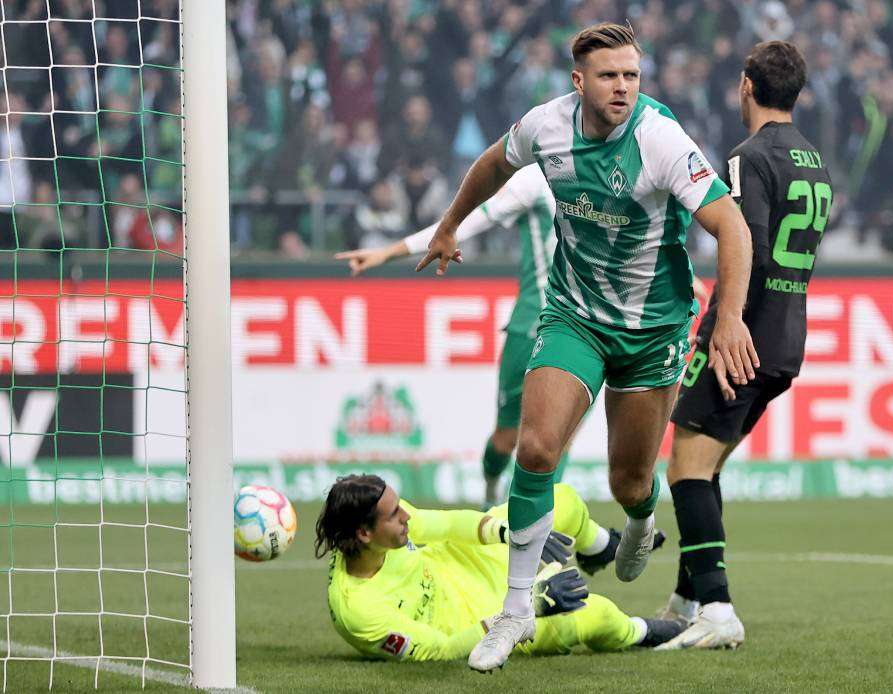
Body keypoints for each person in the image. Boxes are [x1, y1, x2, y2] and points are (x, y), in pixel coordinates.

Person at [413, 22, 758, 672]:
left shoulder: (660, 139)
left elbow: (730, 223)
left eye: (632, 75)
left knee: (627, 479)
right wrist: (450, 225)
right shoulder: (545, 127)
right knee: (537, 445)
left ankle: (638, 520)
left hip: (653, 329)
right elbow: (492, 163)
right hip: (574, 316)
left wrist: (731, 317)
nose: (623, 87)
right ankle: (515, 609)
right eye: (609, 76)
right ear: (579, 83)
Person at [337, 166, 712, 510]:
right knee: (505, 438)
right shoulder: (538, 177)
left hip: (588, 326)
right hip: (534, 321)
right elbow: (467, 221)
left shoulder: (622, 170)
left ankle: (542, 535)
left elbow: (640, 240)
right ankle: (489, 495)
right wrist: (388, 252)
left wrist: (677, 276)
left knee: (559, 437)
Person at [659, 41, 833, 650]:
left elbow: (746, 243)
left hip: (743, 334)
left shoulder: (748, 156)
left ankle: (716, 607)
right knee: (707, 467)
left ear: (745, 86)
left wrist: (725, 323)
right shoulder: (815, 162)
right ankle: (687, 598)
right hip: (787, 338)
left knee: (686, 465)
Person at [316, 475, 685, 662]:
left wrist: (509, 534)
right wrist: (534, 603)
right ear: (364, 533)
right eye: (395, 515)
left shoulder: (384, 524)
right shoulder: (359, 612)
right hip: (477, 620)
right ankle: (643, 631)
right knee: (597, 615)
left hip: (463, 564)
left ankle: (600, 549)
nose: (407, 515)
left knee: (560, 501)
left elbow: (444, 526)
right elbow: (442, 651)